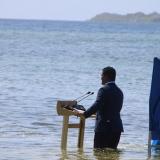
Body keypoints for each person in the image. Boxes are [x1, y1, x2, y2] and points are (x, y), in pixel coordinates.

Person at [74, 66, 124, 149]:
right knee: (111, 155)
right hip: (116, 128)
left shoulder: (103, 90)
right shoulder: (119, 91)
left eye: (101, 76)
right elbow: (113, 109)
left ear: (106, 76)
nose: (101, 78)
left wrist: (84, 113)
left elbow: (97, 105)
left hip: (104, 129)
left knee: (98, 153)